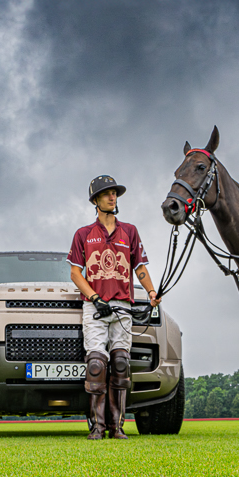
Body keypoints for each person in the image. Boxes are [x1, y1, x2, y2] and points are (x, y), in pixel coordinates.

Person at [68, 174, 156, 439]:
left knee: (120, 364)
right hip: (95, 307)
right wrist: (95, 298)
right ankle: (97, 425)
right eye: (107, 193)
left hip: (123, 306)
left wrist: (151, 292)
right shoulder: (83, 234)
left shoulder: (129, 231)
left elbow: (139, 267)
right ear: (95, 200)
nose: (112, 196)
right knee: (96, 364)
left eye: (114, 193)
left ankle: (116, 427)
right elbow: (75, 273)